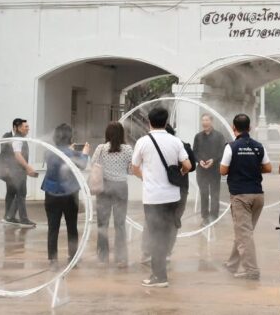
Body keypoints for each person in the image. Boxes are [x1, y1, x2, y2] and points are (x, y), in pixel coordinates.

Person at [131, 106, 191, 288]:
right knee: (165, 235)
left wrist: (146, 178)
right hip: (172, 196)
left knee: (155, 236)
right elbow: (188, 165)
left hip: (152, 197)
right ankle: (160, 274)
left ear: (149, 122)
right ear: (166, 122)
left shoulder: (143, 142)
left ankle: (159, 277)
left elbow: (134, 167)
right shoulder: (175, 141)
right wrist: (179, 173)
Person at [219, 113, 271, 280]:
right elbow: (268, 168)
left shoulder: (231, 147)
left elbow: (222, 170)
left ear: (233, 128)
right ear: (250, 128)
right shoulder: (258, 146)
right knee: (244, 232)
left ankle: (252, 270)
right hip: (258, 196)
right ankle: (232, 263)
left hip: (241, 196)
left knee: (244, 234)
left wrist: (237, 167)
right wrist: (253, 168)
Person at [42, 123, 89, 266]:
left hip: (51, 193)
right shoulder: (72, 154)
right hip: (70, 194)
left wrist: (70, 150)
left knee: (53, 227)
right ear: (70, 137)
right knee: (72, 226)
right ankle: (73, 257)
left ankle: (53, 259)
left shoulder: (49, 152)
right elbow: (82, 165)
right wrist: (85, 153)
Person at [91, 121, 132, 265]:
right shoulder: (127, 149)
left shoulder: (101, 148)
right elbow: (131, 169)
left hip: (104, 187)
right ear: (121, 133)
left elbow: (93, 165)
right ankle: (121, 258)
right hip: (121, 187)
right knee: (120, 224)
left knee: (102, 223)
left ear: (107, 133)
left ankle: (103, 257)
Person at [0, 118, 38, 228]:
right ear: (18, 128)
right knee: (21, 194)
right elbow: (17, 155)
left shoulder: (21, 138)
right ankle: (23, 219)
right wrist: (27, 167)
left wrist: (26, 168)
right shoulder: (16, 138)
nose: (28, 128)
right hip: (15, 171)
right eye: (26, 127)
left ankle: (9, 217)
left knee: (16, 194)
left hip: (18, 170)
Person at [165, 124, 197, 258]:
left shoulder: (158, 146)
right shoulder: (184, 145)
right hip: (181, 187)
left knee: (160, 218)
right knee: (174, 219)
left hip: (163, 188)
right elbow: (192, 166)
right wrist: (182, 171)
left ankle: (154, 249)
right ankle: (167, 250)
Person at [192, 114, 225, 224]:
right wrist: (199, 160)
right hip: (201, 170)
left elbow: (222, 152)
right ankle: (205, 217)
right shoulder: (198, 136)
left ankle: (214, 216)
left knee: (215, 194)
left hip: (214, 169)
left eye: (206, 120)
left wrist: (213, 160)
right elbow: (194, 152)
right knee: (204, 193)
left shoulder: (219, 136)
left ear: (211, 122)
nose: (204, 122)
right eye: (203, 120)